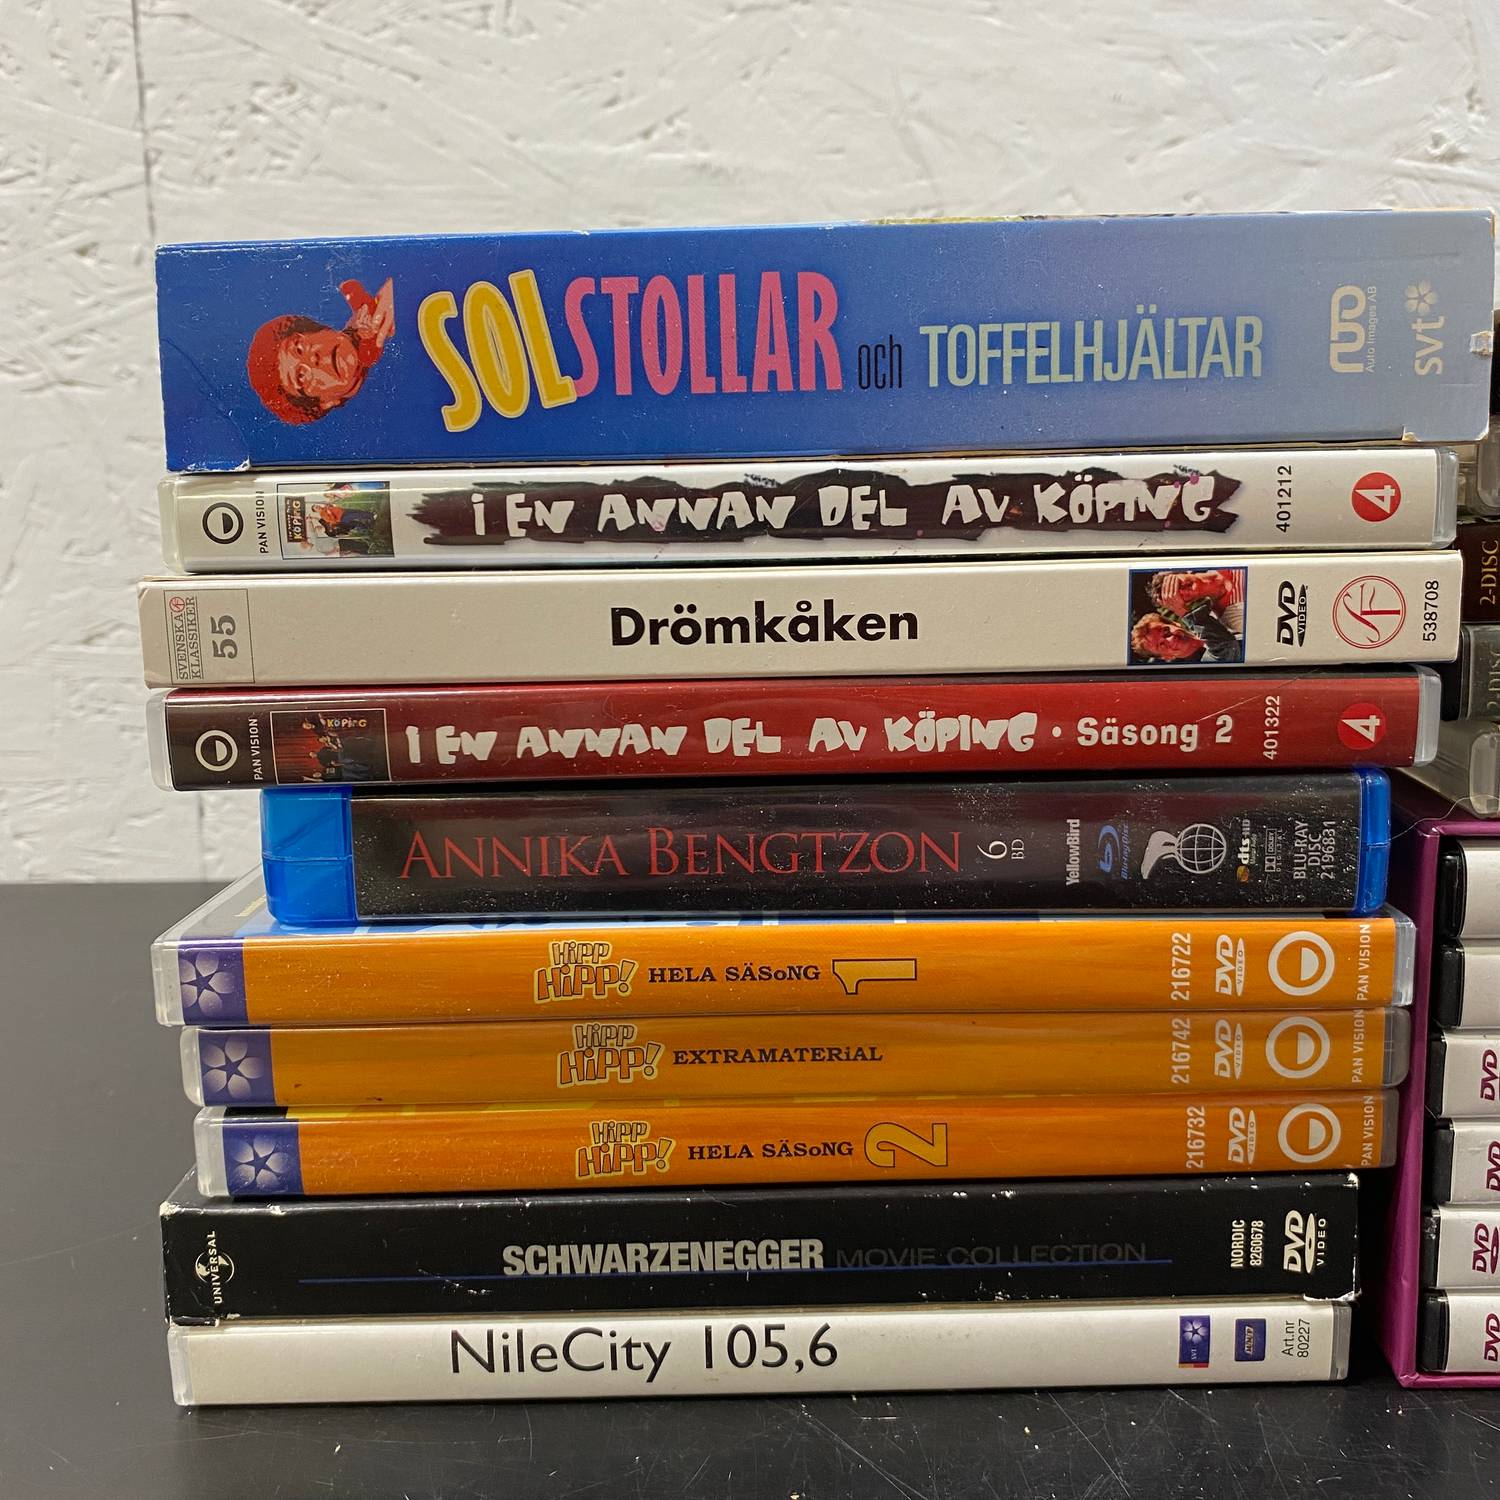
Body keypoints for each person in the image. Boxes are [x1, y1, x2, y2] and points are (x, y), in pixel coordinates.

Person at [246, 278, 394, 424]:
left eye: (299, 348)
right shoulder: (378, 417)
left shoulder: (373, 305)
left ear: (318, 329)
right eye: (301, 376)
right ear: (325, 403)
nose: (313, 359)